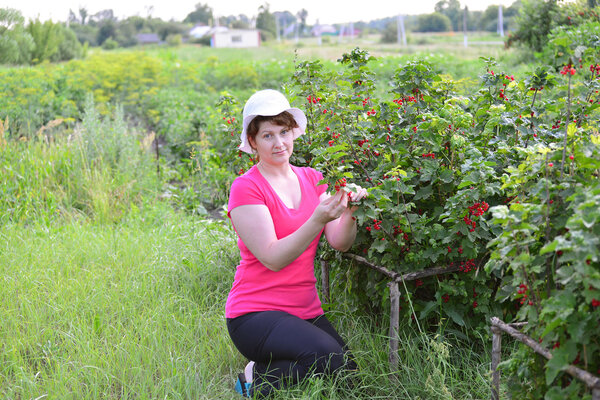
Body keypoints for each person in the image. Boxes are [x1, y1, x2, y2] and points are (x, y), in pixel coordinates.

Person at [226, 89, 368, 398]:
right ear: (252, 141)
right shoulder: (246, 188)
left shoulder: (312, 178)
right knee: (327, 357)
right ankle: (255, 381)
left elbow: (340, 242)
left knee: (348, 376)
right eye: (267, 135)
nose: (279, 143)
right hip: (255, 313)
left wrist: (351, 211)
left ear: (294, 132)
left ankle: (265, 367)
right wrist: (316, 218)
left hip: (304, 310)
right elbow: (273, 258)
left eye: (284, 132)